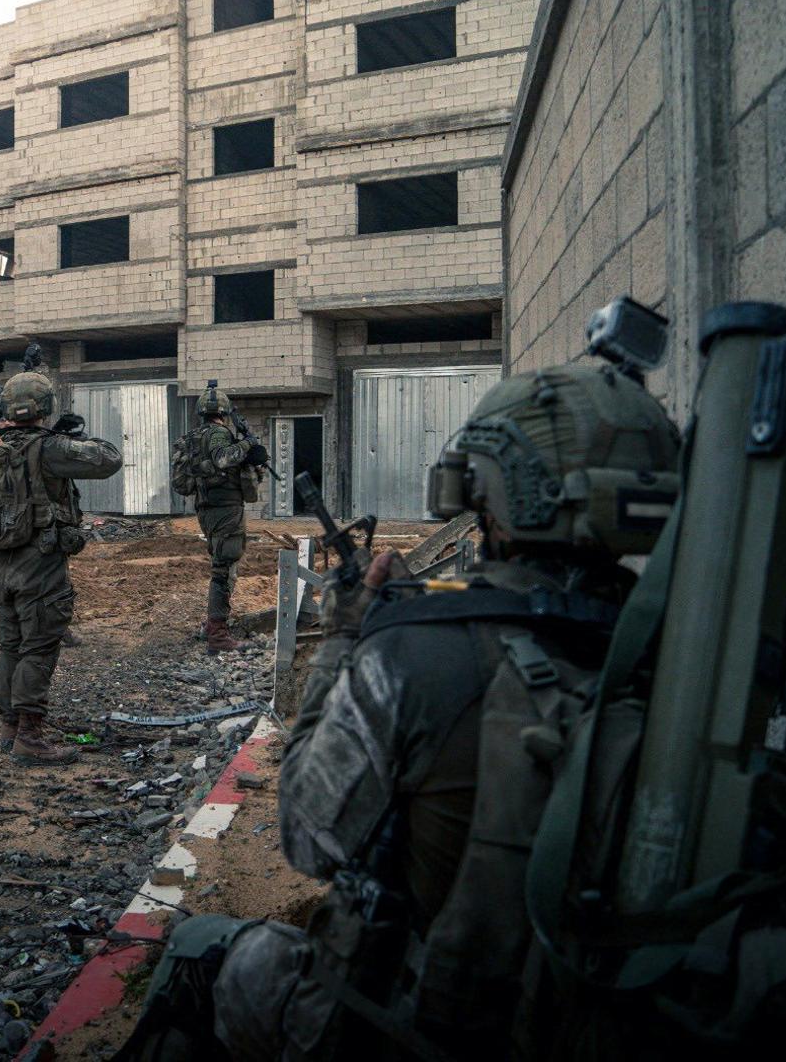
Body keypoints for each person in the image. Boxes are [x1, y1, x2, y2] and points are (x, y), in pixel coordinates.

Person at [117, 361, 688, 1060]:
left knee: (201, 950)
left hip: (428, 1018)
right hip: (611, 1021)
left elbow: (307, 836)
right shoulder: (688, 667)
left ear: (485, 488)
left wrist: (351, 638)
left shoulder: (418, 663)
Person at [0, 369, 120, 765]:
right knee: (39, 647)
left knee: (11, 647)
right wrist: (72, 437)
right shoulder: (50, 448)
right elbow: (109, 459)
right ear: (46, 408)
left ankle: (10, 727)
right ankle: (30, 738)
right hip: (39, 563)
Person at [186, 386, 267, 653]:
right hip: (226, 510)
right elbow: (223, 460)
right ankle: (217, 634)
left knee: (221, 563)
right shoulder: (220, 434)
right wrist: (248, 444)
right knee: (223, 570)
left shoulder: (195, 437)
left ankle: (212, 626)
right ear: (223, 412)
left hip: (206, 508)